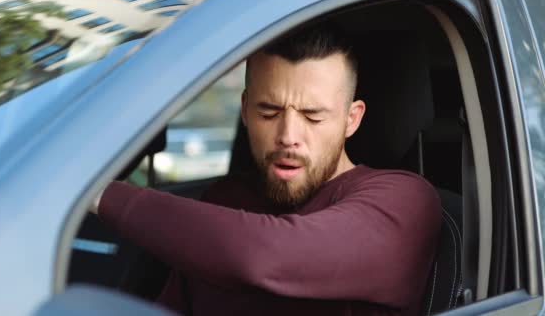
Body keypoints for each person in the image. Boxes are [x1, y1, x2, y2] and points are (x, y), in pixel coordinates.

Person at [91, 22, 441, 316]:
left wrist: (93, 192)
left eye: (312, 116)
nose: (288, 136)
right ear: (245, 111)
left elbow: (265, 256)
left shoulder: (403, 200)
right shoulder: (224, 199)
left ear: (352, 119)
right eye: (269, 112)